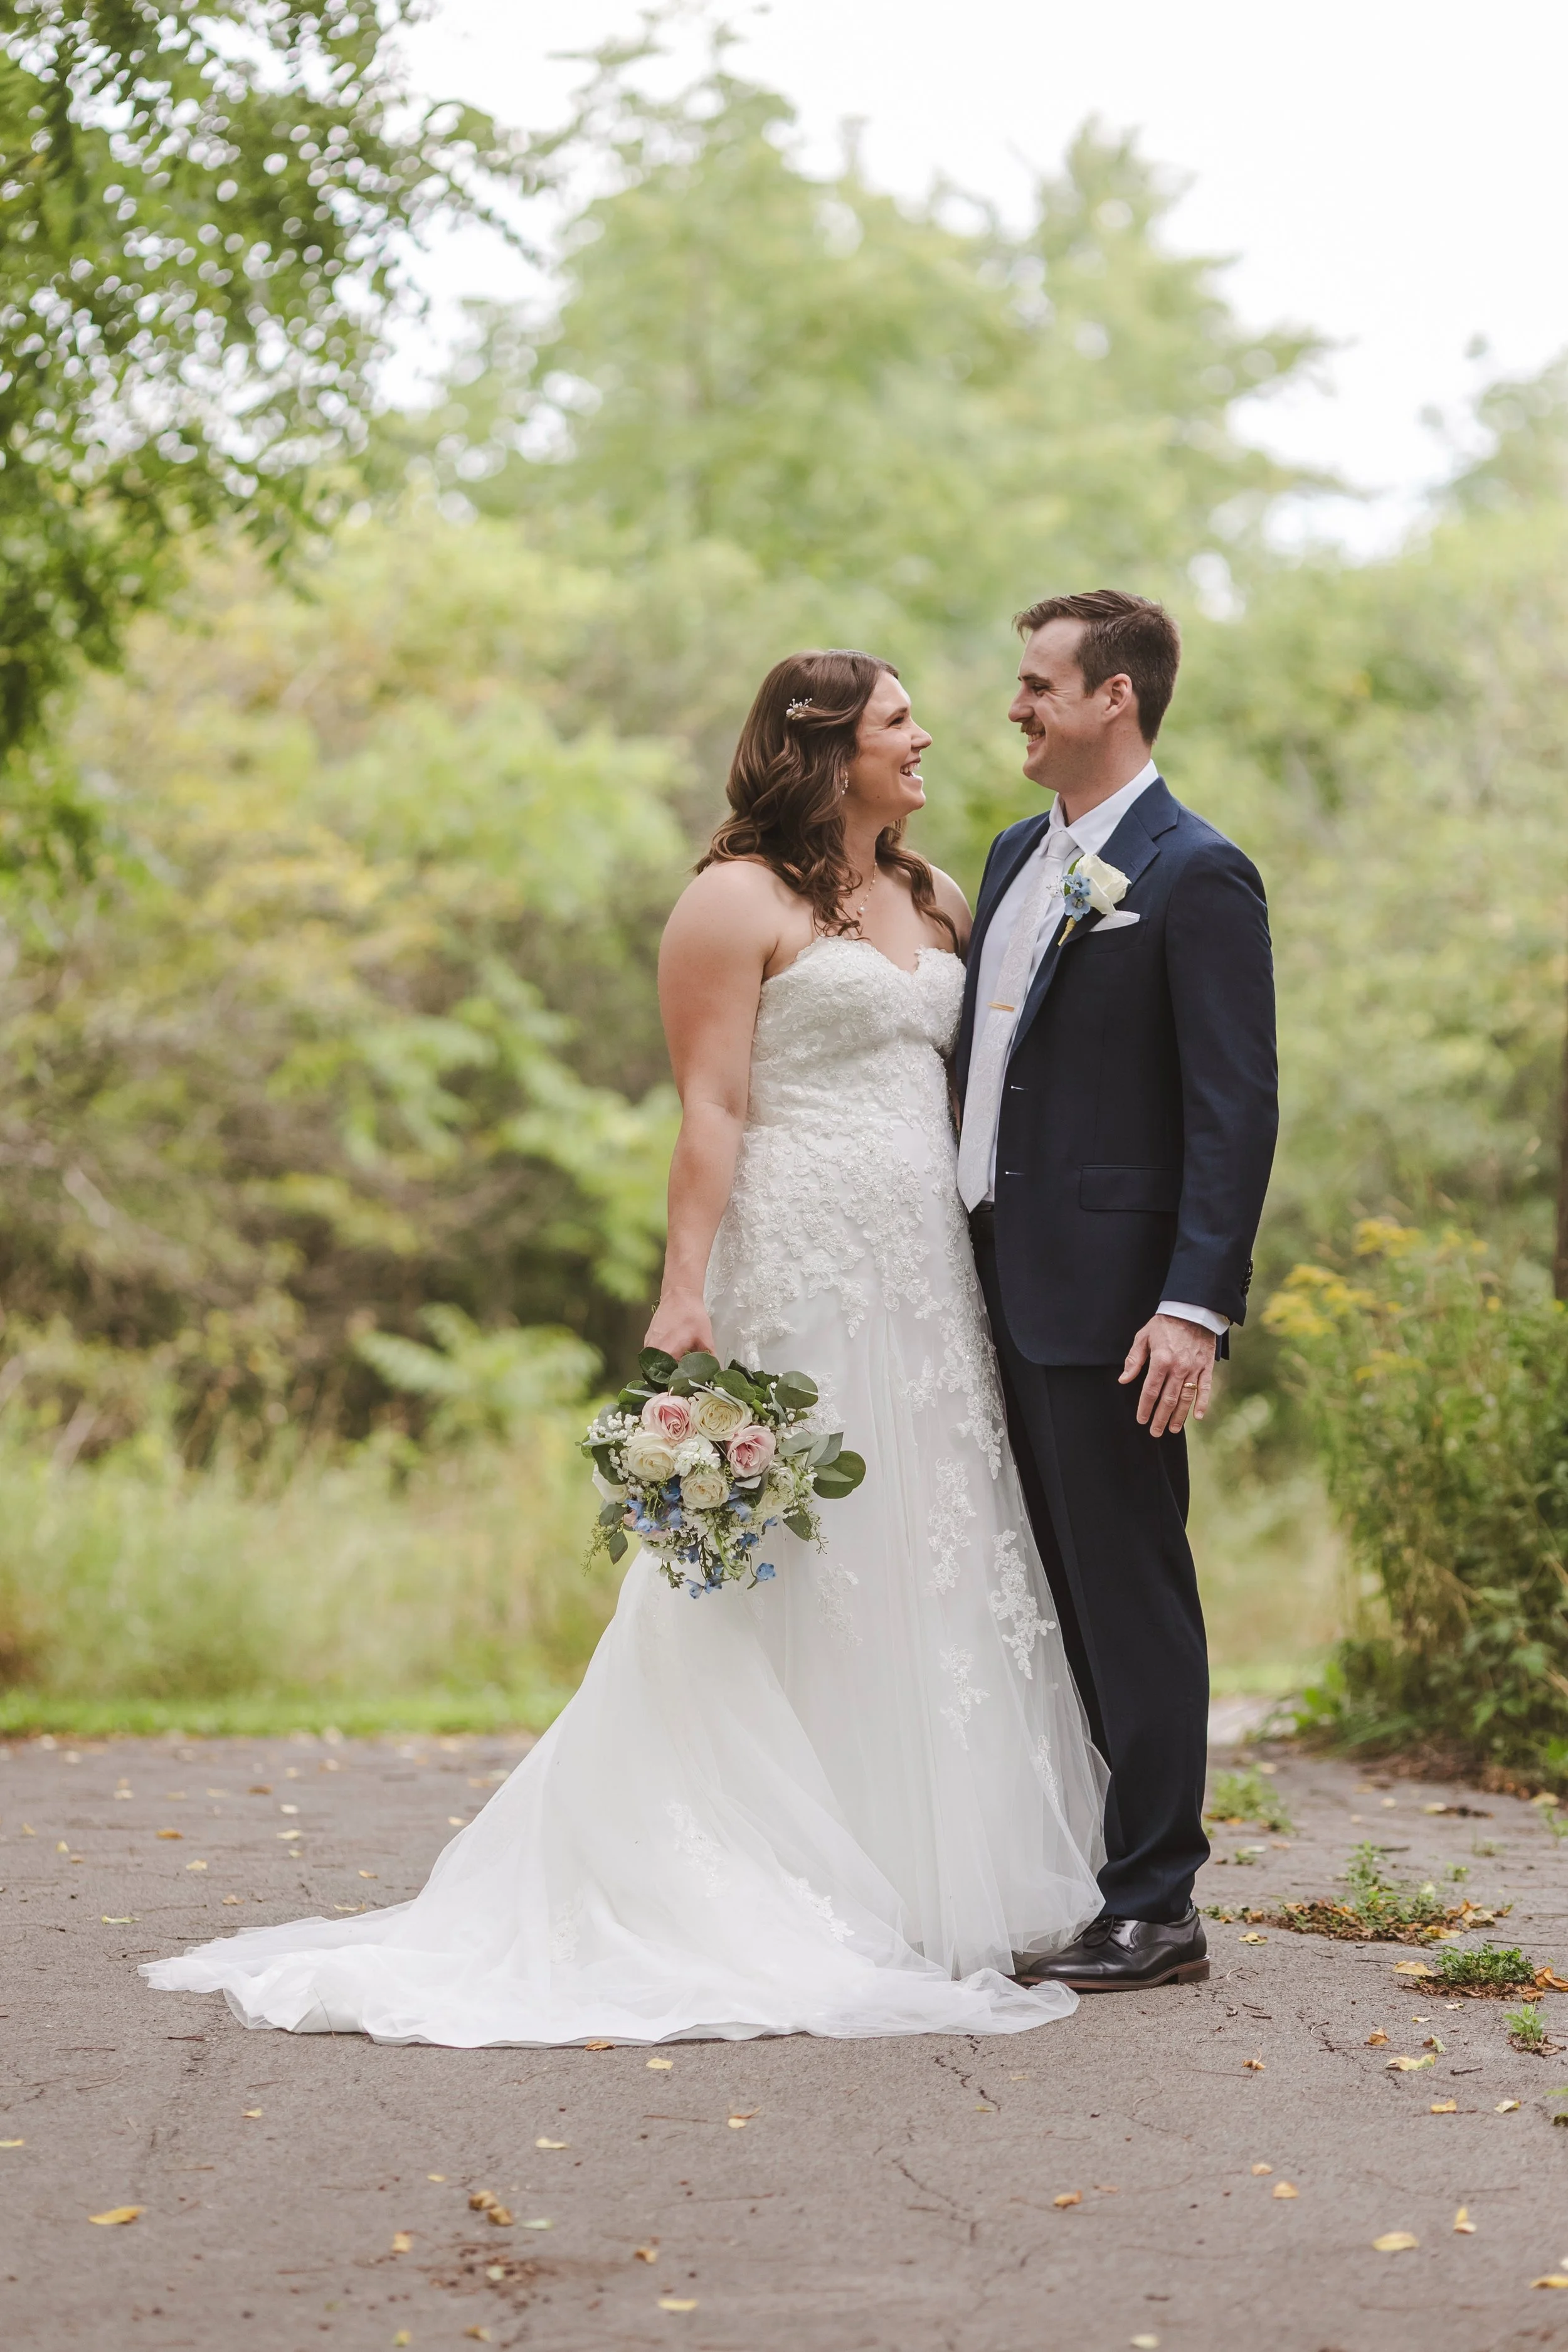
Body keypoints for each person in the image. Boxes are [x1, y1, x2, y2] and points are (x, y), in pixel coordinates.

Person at [143, 649, 1106, 2046]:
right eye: (900, 723)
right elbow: (711, 1109)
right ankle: (760, 1872)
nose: (928, 741)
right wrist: (683, 1294)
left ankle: (916, 1873)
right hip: (798, 1257)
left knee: (934, 1537)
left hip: (926, 1276)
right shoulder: (730, 901)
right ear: (822, 745)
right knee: (796, 1558)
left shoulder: (934, 896)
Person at [956, 590, 1278, 1992]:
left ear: (1115, 702)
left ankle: (1159, 1904)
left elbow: (1233, 1108)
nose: (1015, 706)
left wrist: (1192, 1305)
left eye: (1038, 686)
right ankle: (1078, 1870)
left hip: (1112, 1308)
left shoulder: (1196, 872)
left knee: (1131, 1598)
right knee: (1036, 1601)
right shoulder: (1014, 853)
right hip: (980, 1288)